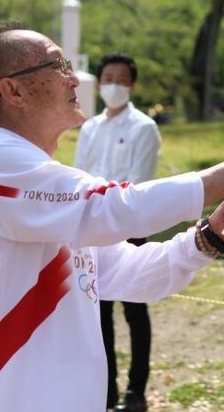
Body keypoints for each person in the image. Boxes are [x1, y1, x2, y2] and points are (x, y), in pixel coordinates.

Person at [0, 22, 224, 412]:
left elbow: (124, 272)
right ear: (12, 90)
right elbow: (111, 207)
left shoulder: (39, 182)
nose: (73, 79)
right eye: (57, 66)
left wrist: (210, 235)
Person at [74, 53, 159, 412]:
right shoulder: (89, 127)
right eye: (108, 78)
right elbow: (77, 175)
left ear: (132, 84)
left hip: (130, 227)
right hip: (94, 229)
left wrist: (111, 211)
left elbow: (139, 181)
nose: (114, 85)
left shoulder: (143, 128)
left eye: (121, 79)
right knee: (98, 312)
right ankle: (104, 393)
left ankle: (135, 391)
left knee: (135, 310)